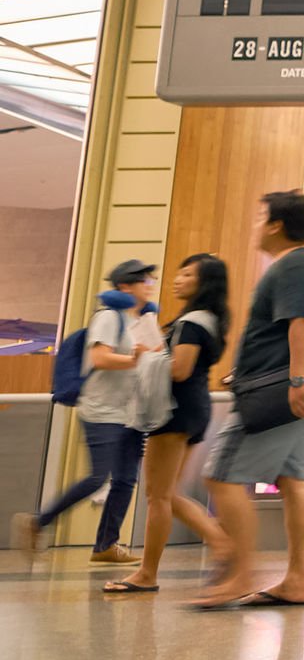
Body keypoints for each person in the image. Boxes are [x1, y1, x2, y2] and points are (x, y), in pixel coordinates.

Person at [194, 191, 304, 609]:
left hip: (274, 398)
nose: (255, 225)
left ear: (275, 224)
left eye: (259, 217)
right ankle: (295, 581)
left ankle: (240, 576)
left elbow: (303, 323)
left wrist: (295, 380)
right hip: (291, 394)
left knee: (221, 476)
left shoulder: (294, 263)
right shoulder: (298, 265)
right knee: (294, 483)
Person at [14, 259, 160, 565]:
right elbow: (101, 358)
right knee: (98, 477)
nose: (149, 285)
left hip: (130, 412)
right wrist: (137, 359)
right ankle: (38, 522)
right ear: (124, 286)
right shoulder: (109, 317)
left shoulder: (143, 321)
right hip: (102, 410)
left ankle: (106, 545)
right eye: (143, 281)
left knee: (125, 480)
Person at [109, 253, 235, 595]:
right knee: (167, 495)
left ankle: (149, 573)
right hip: (193, 408)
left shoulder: (193, 322)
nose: (178, 279)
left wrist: (148, 355)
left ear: (204, 282)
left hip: (175, 409)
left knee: (157, 496)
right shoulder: (209, 319)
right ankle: (221, 543)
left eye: (188, 274)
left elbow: (179, 369)